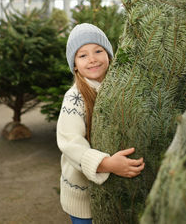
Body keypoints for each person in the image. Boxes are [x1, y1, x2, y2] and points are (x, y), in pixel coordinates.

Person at [56, 23, 145, 224]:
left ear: (109, 55)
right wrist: (107, 164)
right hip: (83, 198)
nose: (92, 59)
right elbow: (70, 143)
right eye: (83, 55)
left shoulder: (121, 89)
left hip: (116, 190)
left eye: (98, 50)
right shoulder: (74, 98)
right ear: (75, 65)